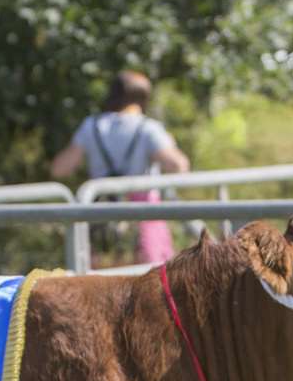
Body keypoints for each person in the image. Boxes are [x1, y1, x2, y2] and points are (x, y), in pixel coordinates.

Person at [49, 70, 190, 265]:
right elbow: (178, 165)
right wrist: (170, 145)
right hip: (143, 219)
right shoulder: (148, 128)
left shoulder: (91, 126)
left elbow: (60, 169)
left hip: (101, 216)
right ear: (143, 99)